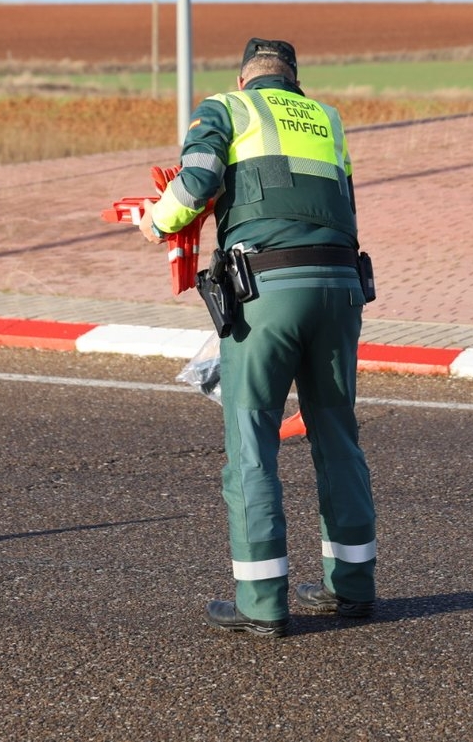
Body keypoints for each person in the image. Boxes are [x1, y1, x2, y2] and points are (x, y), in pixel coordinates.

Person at [140, 37, 376, 638]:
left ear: (244, 78)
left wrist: (156, 220)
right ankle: (351, 587)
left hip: (267, 290)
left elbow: (196, 182)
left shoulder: (225, 109)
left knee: (252, 443)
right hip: (342, 286)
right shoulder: (327, 119)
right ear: (294, 80)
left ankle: (262, 603)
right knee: (336, 436)